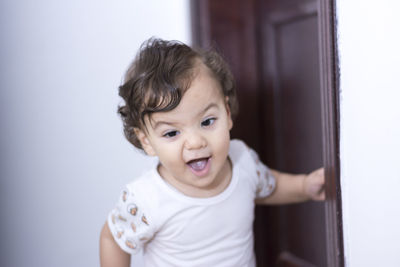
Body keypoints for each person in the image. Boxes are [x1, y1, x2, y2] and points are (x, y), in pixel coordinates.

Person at [99, 38, 325, 267]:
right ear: (146, 141)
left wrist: (305, 186)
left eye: (207, 121)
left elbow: (269, 186)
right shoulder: (146, 199)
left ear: (227, 113)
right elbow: (113, 239)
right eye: (171, 133)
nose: (196, 142)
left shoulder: (242, 161)